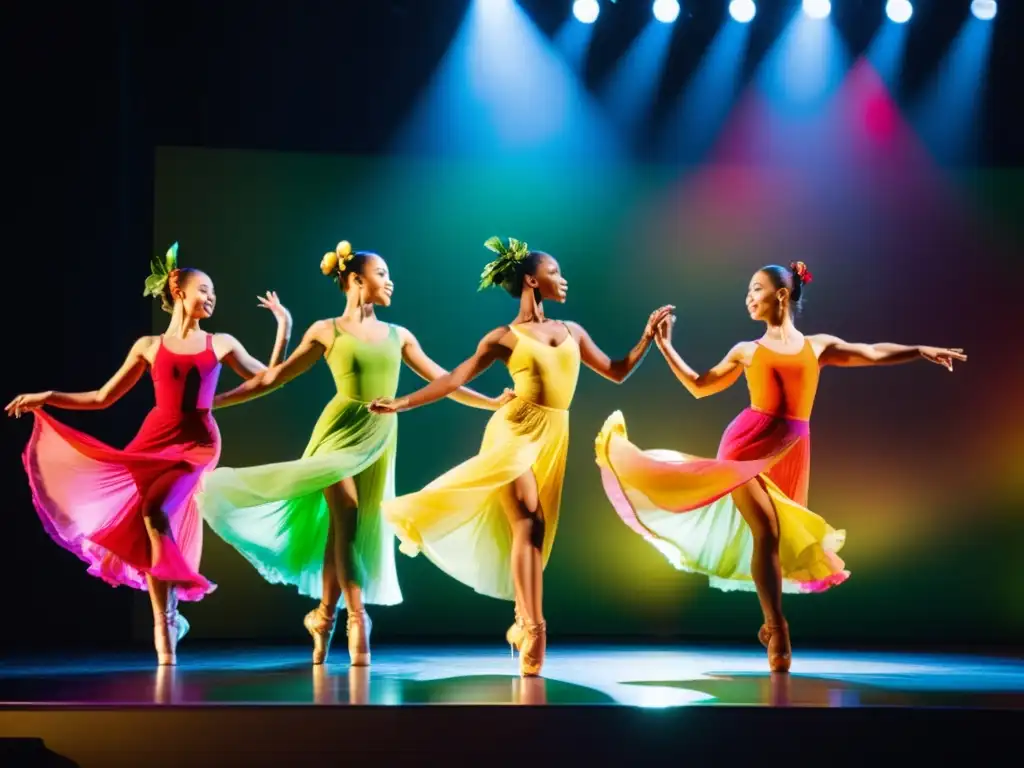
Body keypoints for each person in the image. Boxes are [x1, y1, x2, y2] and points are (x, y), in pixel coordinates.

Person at [595, 261, 967, 672]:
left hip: (791, 452)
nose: (749, 296)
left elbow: (872, 352)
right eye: (748, 290)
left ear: (782, 295)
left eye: (756, 288)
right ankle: (777, 627)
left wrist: (920, 350)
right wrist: (665, 346)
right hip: (744, 447)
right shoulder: (747, 351)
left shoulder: (818, 346)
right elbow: (701, 386)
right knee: (767, 531)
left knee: (773, 538)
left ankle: (774, 626)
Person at [369, 236, 673, 677]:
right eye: (554, 272)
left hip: (554, 437)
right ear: (532, 279)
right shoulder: (503, 338)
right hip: (512, 430)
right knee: (527, 521)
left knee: (534, 532)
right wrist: (403, 402)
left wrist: (647, 338)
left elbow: (618, 371)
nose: (563, 279)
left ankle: (520, 622)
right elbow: (455, 377)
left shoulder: (574, 332)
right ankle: (534, 628)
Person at [199, 241, 511, 666]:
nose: (390, 281)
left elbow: (445, 380)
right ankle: (357, 619)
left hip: (380, 437)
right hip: (338, 432)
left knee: (347, 532)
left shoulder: (400, 336)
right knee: (344, 512)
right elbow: (272, 379)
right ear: (355, 280)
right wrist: (212, 402)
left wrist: (491, 402)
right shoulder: (327, 330)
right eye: (381, 273)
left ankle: (324, 616)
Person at [5, 243, 292, 665]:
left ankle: (169, 613)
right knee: (153, 527)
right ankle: (167, 618)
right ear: (178, 289)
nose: (212, 298)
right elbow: (103, 398)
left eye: (214, 293)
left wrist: (283, 326)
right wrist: (48, 396)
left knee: (155, 512)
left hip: (197, 444)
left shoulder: (221, 342)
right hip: (151, 440)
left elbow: (270, 379)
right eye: (205, 289)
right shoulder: (148, 346)